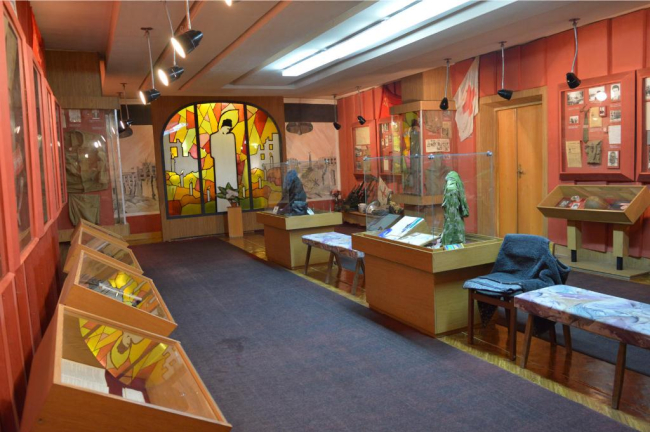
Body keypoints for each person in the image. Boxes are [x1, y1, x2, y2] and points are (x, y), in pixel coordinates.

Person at [212, 119, 238, 212]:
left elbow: (233, 151)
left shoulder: (231, 136)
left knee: (232, 184)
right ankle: (221, 208)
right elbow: (214, 152)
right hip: (219, 165)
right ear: (222, 127)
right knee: (220, 182)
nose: (228, 130)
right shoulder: (214, 137)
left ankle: (233, 207)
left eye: (229, 129)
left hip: (231, 165)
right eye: (227, 128)